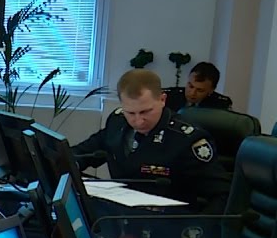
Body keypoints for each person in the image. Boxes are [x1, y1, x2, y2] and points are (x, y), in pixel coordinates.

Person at [72, 69, 230, 212]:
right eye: (130, 113)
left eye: (145, 112)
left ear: (162, 99)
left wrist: (199, 228)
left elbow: (222, 194)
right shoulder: (117, 122)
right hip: (118, 217)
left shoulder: (187, 139)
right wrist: (68, 164)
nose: (138, 121)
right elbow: (82, 153)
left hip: (165, 225)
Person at [167, 61, 233, 111]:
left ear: (211, 90)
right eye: (191, 86)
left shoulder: (221, 105)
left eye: (200, 90)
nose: (192, 93)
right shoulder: (168, 97)